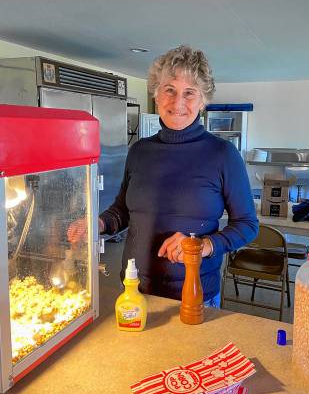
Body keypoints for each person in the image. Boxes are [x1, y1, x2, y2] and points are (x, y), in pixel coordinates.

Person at [68, 45, 258, 307]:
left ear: (203, 101)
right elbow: (123, 210)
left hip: (195, 296)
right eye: (169, 89)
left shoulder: (223, 154)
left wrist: (202, 246)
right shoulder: (140, 151)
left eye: (189, 93)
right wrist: (98, 224)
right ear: (156, 94)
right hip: (135, 290)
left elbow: (247, 224)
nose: (178, 102)